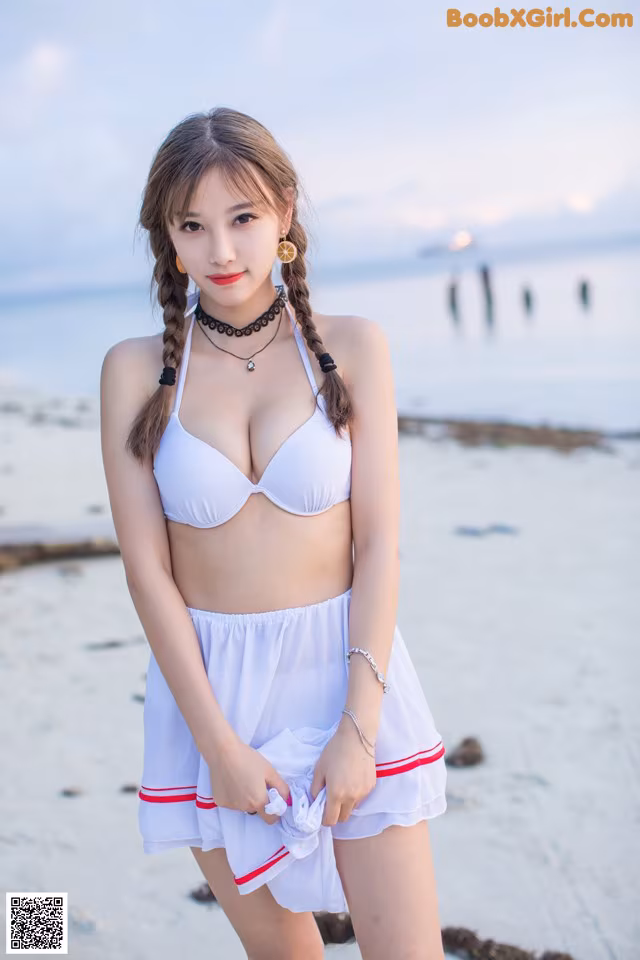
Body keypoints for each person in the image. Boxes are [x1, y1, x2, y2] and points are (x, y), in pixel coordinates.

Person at [100, 106, 448, 960]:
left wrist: (357, 731)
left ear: (285, 213)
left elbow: (377, 545)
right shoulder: (135, 372)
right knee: (285, 957)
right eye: (194, 225)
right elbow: (149, 574)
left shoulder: (354, 348)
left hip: (348, 680)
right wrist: (218, 746)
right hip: (211, 699)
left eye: (244, 217)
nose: (222, 251)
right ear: (169, 238)